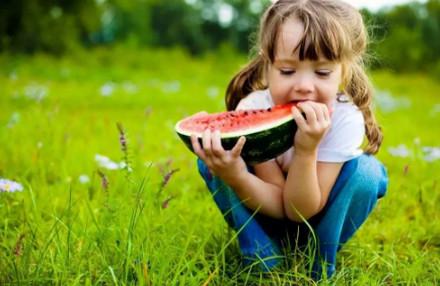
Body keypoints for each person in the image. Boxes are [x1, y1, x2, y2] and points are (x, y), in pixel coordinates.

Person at [190, 0, 388, 280]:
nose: (304, 86)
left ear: (343, 71)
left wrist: (307, 151)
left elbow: (299, 212)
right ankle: (261, 256)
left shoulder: (344, 119)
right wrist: (234, 175)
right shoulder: (253, 107)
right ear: (267, 65)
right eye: (287, 71)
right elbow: (279, 204)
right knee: (213, 158)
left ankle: (318, 263)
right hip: (264, 208)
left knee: (368, 173)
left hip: (317, 217)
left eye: (322, 72)